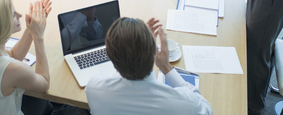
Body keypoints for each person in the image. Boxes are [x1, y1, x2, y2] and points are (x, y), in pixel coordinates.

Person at [85, 17, 213, 115]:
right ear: (155, 52)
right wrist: (166, 67)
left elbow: (122, 66)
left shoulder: (94, 89)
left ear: (110, 57)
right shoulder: (185, 103)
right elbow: (207, 109)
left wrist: (137, 43)